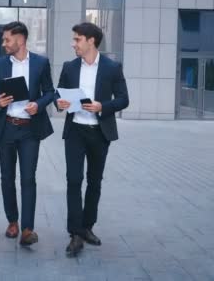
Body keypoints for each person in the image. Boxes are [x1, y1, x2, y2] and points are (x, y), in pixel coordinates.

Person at [55, 22, 129, 257]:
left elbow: (124, 99)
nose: (73, 43)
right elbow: (59, 94)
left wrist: (102, 106)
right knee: (73, 181)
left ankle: (87, 227)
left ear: (91, 41)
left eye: (77, 39)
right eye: (74, 39)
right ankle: (75, 233)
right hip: (75, 130)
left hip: (100, 132)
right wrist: (60, 103)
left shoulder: (112, 67)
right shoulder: (69, 67)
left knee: (94, 182)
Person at [0, 21, 55, 246]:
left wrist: (38, 104)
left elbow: (50, 92)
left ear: (21, 39)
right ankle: (12, 222)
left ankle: (27, 229)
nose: (4, 43)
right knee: (7, 178)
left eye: (7, 39)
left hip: (30, 129)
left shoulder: (40, 63)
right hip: (6, 127)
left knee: (28, 178)